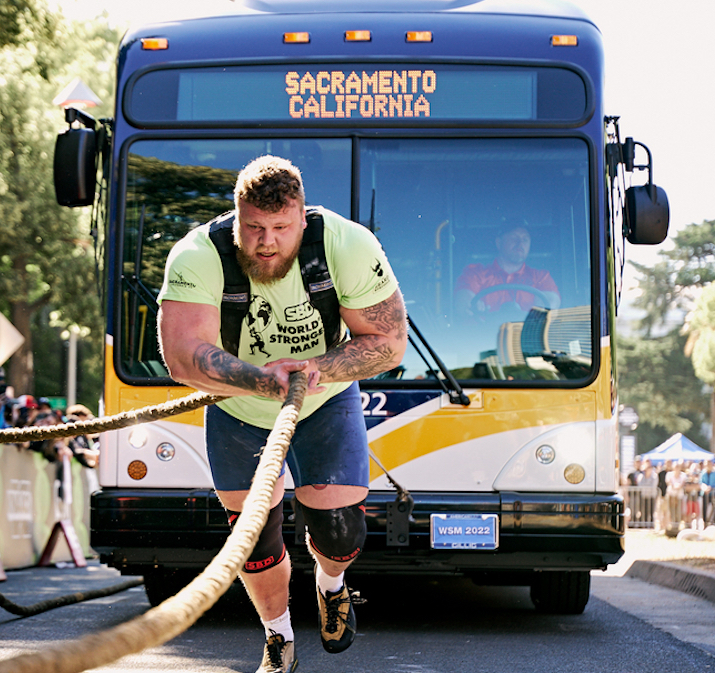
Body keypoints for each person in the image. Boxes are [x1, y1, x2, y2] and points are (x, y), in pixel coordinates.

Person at [157, 155, 407, 673]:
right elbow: (182, 356)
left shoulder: (347, 245)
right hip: (237, 406)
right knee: (254, 541)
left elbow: (387, 344)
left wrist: (315, 367)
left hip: (323, 397)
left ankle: (331, 585)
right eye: (253, 228)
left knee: (340, 533)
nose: (266, 242)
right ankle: (278, 635)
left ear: (301, 217)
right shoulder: (196, 256)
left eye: (280, 228)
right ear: (236, 217)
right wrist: (259, 378)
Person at [454, 220, 560, 316]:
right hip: (483, 336)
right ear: (499, 243)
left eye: (525, 239)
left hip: (526, 336)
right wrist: (469, 303)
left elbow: (551, 301)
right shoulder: (476, 273)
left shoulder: (541, 277)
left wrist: (543, 310)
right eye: (514, 238)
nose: (520, 243)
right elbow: (463, 299)